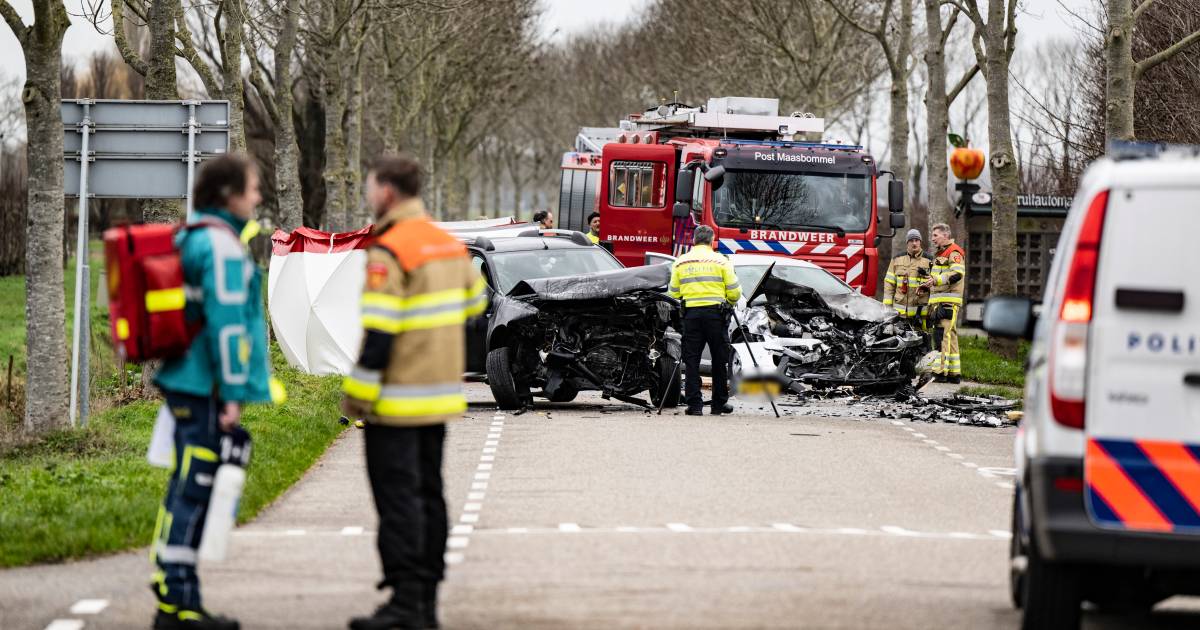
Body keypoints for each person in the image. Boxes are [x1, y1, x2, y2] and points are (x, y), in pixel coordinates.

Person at [342, 154, 487, 630]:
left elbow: (380, 334)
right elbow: (475, 303)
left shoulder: (390, 249)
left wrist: (356, 397)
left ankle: (404, 602)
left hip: (395, 401)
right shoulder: (447, 245)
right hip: (439, 396)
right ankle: (424, 597)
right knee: (430, 494)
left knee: (398, 499)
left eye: (370, 187)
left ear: (386, 191)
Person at [150, 153, 275, 630]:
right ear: (229, 195)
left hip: (185, 381)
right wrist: (232, 393)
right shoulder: (221, 248)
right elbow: (227, 329)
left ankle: (179, 597)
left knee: (185, 487)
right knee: (194, 490)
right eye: (253, 188)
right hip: (205, 388)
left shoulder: (192, 235)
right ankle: (177, 604)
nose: (258, 196)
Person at [667, 225, 741, 416]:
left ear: (694, 240)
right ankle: (718, 404)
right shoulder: (721, 261)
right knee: (719, 360)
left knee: (691, 360)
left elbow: (673, 292)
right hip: (716, 315)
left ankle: (695, 405)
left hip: (691, 316)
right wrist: (729, 302)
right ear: (711, 240)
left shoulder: (681, 262)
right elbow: (734, 291)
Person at [921, 222, 966, 383]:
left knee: (941, 336)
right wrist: (928, 284)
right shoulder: (941, 253)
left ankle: (940, 372)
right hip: (941, 302)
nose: (933, 239)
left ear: (945, 235)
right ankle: (954, 374)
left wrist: (936, 280)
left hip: (948, 302)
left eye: (935, 235)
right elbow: (939, 278)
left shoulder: (954, 252)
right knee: (950, 336)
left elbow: (957, 274)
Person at [882, 228, 932, 326]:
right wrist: (887, 307)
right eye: (911, 240)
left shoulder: (929, 260)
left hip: (921, 313)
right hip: (900, 313)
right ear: (907, 243)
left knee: (923, 340)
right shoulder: (897, 259)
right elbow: (889, 284)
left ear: (920, 242)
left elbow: (935, 286)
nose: (914, 243)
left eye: (917, 240)